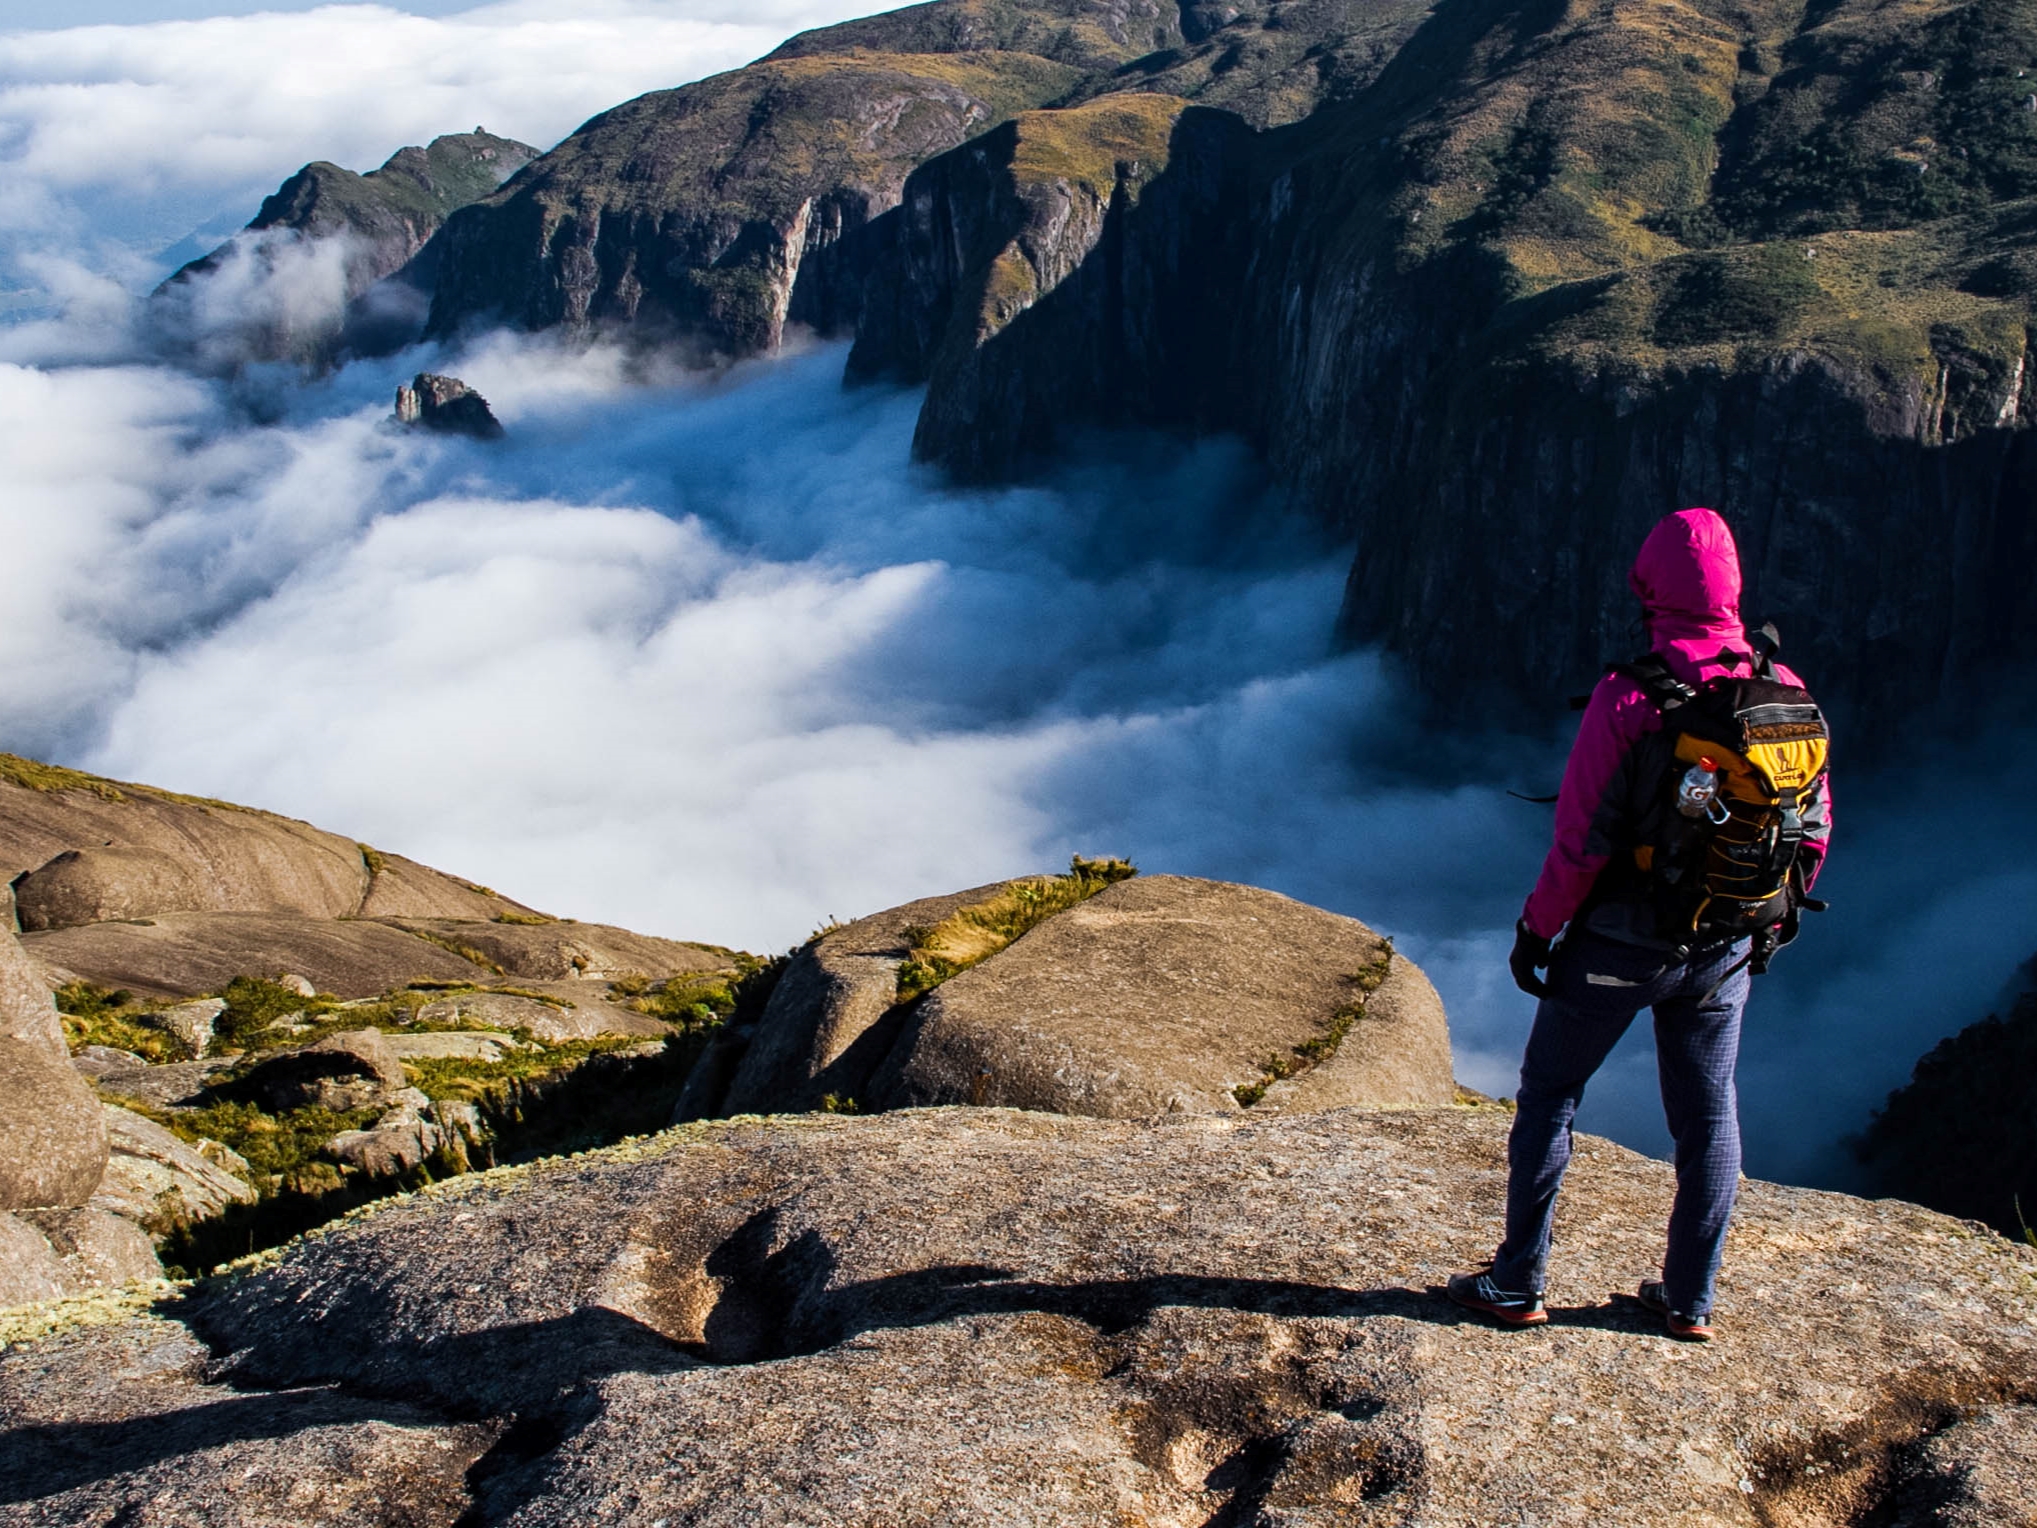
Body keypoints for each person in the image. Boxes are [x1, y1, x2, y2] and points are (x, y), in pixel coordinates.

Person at [1447, 507, 1831, 1341]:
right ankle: (1688, 1300)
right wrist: (1762, 920)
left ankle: (1516, 1284)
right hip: (1724, 943)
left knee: (1549, 1094)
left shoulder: (1631, 695)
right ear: (1733, 585)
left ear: (1648, 585)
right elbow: (1812, 829)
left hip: (1621, 942)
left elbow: (1579, 841)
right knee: (1707, 1116)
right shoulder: (1786, 692)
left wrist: (1536, 931)